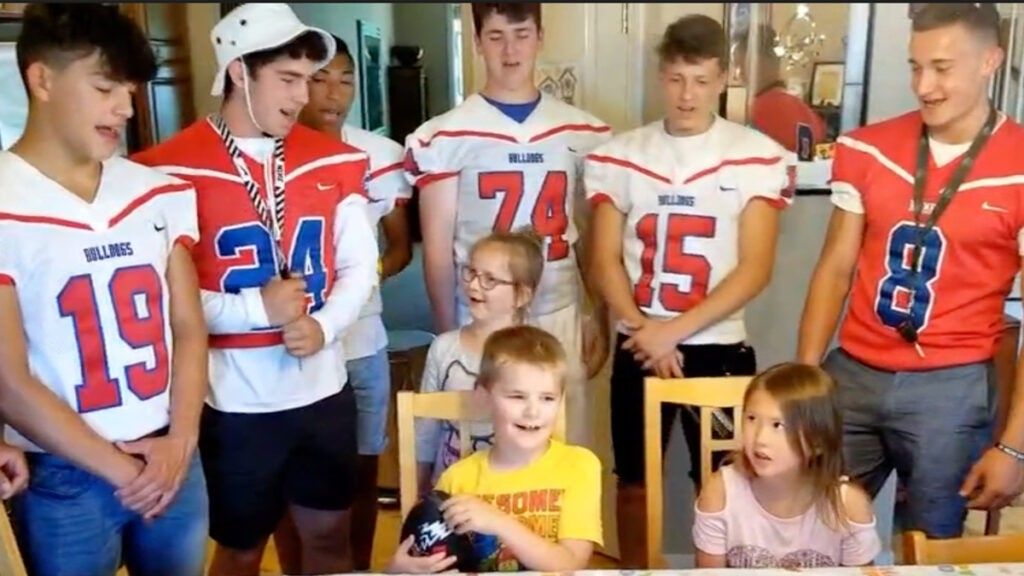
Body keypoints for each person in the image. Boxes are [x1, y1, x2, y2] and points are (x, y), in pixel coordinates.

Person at [132, 4, 377, 574]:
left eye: (307, 79)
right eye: (287, 79)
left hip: (322, 391)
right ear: (240, 71)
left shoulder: (333, 158)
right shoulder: (165, 172)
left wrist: (325, 324)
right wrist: (254, 310)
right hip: (234, 402)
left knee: (329, 539)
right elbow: (165, 299)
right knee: (241, 550)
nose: (302, 96)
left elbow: (359, 265)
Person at [797, 2, 1024, 539]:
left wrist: (1014, 445)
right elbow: (834, 268)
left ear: (990, 61)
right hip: (854, 368)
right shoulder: (869, 147)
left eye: (942, 68)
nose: (924, 85)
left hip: (952, 383)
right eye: (915, 66)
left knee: (929, 540)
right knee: (814, 529)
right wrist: (806, 374)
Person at [0, 4, 209, 575]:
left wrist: (181, 442)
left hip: (171, 451)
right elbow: (9, 379)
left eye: (131, 89)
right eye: (105, 87)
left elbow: (188, 328)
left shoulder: (156, 191)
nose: (125, 106)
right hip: (62, 472)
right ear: (41, 79)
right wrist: (125, 472)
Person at [584, 14, 791, 567]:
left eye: (700, 80)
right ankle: (637, 569)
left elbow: (756, 268)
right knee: (633, 477)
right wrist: (644, 329)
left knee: (727, 482)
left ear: (723, 78)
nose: (687, 94)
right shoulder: (622, 156)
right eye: (676, 79)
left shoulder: (756, 157)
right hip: (639, 342)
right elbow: (602, 260)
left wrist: (672, 331)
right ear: (661, 76)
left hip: (718, 348)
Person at [404, 2, 612, 450]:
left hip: (559, 307)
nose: (510, 49)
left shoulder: (580, 130)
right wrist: (449, 335)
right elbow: (438, 249)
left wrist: (598, 311)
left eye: (521, 33)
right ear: (477, 42)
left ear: (540, 36)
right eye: (496, 36)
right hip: (482, 314)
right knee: (482, 448)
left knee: (564, 448)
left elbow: (591, 236)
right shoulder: (446, 135)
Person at [288, 33, 413, 572]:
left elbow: (401, 245)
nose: (334, 92)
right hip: (294, 344)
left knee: (361, 470)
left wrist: (358, 287)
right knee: (293, 479)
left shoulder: (380, 156)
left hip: (363, 340)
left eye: (344, 78)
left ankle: (358, 568)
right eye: (319, 79)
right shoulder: (275, 158)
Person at [389, 325, 602, 573]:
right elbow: (423, 555)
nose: (533, 411)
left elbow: (569, 564)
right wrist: (399, 569)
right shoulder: (457, 479)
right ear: (484, 398)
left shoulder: (578, 466)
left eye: (547, 398)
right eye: (517, 396)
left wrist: (498, 522)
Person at [693, 363, 881, 568]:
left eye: (778, 425)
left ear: (817, 441)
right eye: (751, 418)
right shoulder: (720, 491)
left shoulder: (849, 505)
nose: (760, 439)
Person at [416, 230, 544, 488]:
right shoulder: (443, 348)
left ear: (522, 296)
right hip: (448, 494)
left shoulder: (537, 355)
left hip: (514, 498)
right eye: (471, 273)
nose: (473, 285)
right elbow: (425, 432)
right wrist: (418, 488)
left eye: (490, 280)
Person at [735, 23, 827, 154]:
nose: (738, 74)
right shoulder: (799, 106)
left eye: (740, 64)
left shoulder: (766, 106)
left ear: (763, 61)